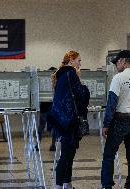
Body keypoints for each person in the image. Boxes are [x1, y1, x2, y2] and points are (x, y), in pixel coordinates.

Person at [101, 50, 130, 189]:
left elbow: (112, 103)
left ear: (122, 61)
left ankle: (107, 186)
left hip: (120, 120)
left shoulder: (118, 78)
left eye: (117, 63)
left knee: (109, 154)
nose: (116, 65)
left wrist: (106, 124)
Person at [48, 50, 90, 189]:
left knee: (69, 153)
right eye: (79, 60)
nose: (80, 63)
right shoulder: (71, 73)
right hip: (69, 120)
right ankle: (60, 185)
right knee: (66, 155)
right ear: (71, 60)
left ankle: (67, 183)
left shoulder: (60, 74)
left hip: (60, 119)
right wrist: (83, 83)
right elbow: (81, 95)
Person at [37, 67, 58, 151]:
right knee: (53, 127)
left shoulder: (45, 82)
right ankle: (53, 145)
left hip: (46, 107)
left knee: (42, 127)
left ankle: (38, 144)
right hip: (49, 107)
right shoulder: (57, 81)